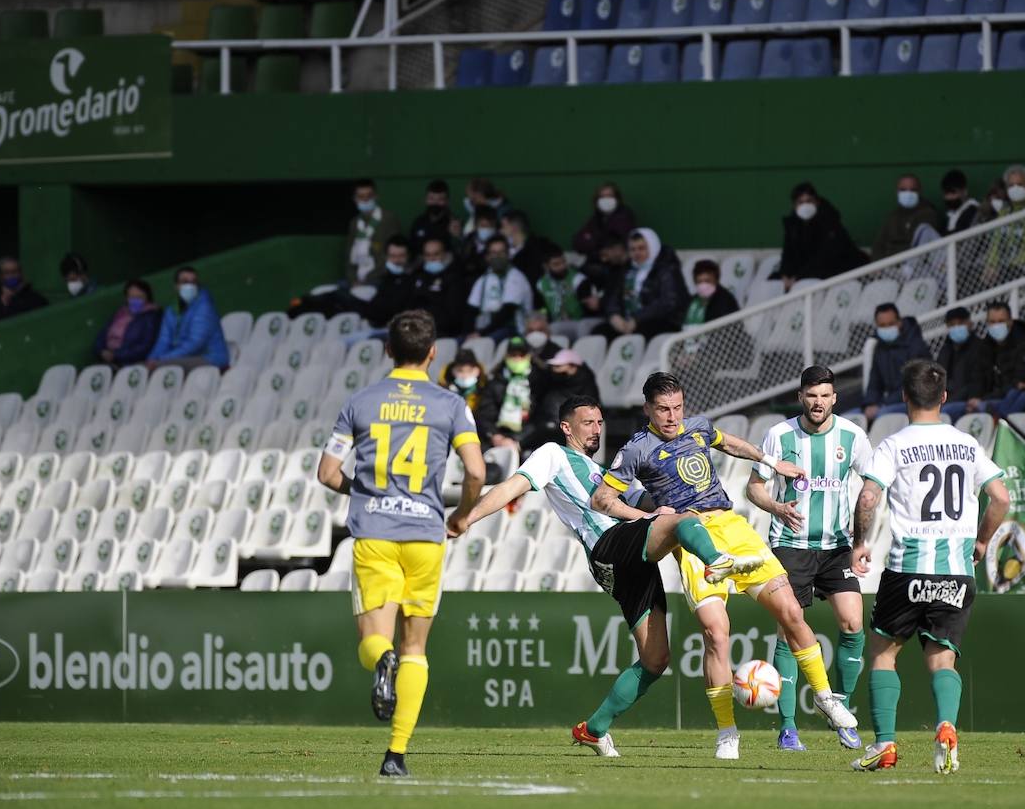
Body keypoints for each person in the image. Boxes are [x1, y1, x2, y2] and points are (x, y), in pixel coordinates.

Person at [452, 394, 749, 758]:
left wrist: (662, 506)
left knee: (656, 660)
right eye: (587, 423)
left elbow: (642, 502)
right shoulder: (553, 454)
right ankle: (718, 561)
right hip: (609, 545)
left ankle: (594, 729)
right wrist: (468, 516)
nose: (596, 429)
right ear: (567, 427)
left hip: (630, 561)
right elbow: (510, 487)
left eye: (598, 422)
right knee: (685, 521)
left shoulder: (604, 471)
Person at [592, 372, 858, 760]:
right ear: (648, 409)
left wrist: (769, 461)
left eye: (678, 407)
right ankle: (727, 732)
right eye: (663, 409)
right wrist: (647, 517)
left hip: (734, 528)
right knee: (716, 634)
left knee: (792, 613)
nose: (672, 417)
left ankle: (824, 698)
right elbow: (602, 499)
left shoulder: (697, 427)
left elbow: (727, 442)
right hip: (692, 536)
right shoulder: (636, 449)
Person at [316, 309, 486, 777]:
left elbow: (327, 473)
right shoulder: (452, 405)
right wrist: (462, 514)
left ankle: (381, 661)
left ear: (387, 349)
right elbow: (476, 471)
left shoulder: (360, 402)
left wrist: (364, 492)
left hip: (374, 533)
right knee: (417, 649)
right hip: (426, 535)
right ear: (433, 354)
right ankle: (396, 756)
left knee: (374, 640)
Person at [849, 359, 1011, 774]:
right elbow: (1001, 498)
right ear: (943, 397)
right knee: (942, 658)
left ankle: (885, 744)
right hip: (956, 569)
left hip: (908, 567)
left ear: (903, 396)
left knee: (884, 653)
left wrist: (860, 543)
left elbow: (868, 498)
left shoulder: (894, 444)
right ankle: (946, 726)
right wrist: (981, 540)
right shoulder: (967, 444)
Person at [746, 366, 871, 752]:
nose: (818, 403)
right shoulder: (780, 435)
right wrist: (776, 507)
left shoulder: (853, 437)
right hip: (790, 543)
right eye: (812, 396)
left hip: (836, 547)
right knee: (788, 629)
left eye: (825, 396)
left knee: (852, 621)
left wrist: (861, 540)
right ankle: (787, 728)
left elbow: (871, 489)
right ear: (801, 397)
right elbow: (753, 489)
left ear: (835, 398)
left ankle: (842, 711)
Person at [595, 228, 688, 340]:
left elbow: (668, 303)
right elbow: (613, 297)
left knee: (641, 333)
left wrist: (637, 319)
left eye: (641, 248)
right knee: (599, 332)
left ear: (653, 247)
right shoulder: (627, 269)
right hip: (629, 323)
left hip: (661, 322)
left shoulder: (667, 269)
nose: (637, 253)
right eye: (633, 249)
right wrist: (614, 316)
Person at [774, 183, 869, 289]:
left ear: (817, 202)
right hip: (805, 273)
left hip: (839, 271)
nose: (805, 206)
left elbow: (825, 257)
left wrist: (798, 277)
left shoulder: (830, 222)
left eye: (809, 201)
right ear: (795, 206)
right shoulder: (793, 226)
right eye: (800, 202)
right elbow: (788, 253)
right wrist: (785, 275)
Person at [145, 266, 229, 371]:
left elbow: (196, 342)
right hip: (183, 357)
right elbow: (163, 340)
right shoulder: (171, 310)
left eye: (194, 282)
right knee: (141, 369)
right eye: (185, 282)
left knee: (160, 367)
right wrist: (152, 358)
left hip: (210, 357)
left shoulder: (204, 306)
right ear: (176, 286)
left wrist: (162, 359)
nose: (190, 286)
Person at [861, 303, 929, 421]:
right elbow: (874, 383)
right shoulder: (880, 348)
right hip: (888, 403)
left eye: (891, 324)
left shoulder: (916, 346)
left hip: (914, 402)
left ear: (899, 322)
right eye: (882, 325)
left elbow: (913, 385)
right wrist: (870, 403)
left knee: (882, 415)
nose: (887, 328)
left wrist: (882, 404)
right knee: (852, 418)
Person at [474, 337, 536, 454]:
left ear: (529, 356)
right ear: (506, 356)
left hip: (528, 439)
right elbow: (485, 415)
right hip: (498, 436)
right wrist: (495, 436)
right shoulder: (495, 381)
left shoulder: (538, 381)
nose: (517, 359)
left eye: (521, 355)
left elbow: (541, 418)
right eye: (513, 355)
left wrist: (519, 440)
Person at [527, 348, 600, 447]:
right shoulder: (553, 381)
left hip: (561, 427)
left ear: (572, 367)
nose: (554, 369)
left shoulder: (586, 385)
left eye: (558, 366)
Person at [467, 237, 532, 342]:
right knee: (459, 342)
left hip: (513, 330)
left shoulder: (516, 277)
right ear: (487, 256)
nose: (497, 256)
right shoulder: (483, 279)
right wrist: (469, 333)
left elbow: (507, 312)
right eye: (493, 253)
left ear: (508, 254)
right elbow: (471, 310)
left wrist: (481, 333)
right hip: (486, 329)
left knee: (485, 341)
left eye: (501, 252)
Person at [937, 307, 994, 421]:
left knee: (942, 413)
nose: (957, 327)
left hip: (969, 401)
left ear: (970, 323)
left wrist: (948, 400)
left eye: (961, 323)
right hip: (947, 400)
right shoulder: (945, 350)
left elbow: (978, 382)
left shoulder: (979, 348)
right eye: (953, 324)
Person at [978, 301, 1025, 411]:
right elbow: (978, 378)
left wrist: (983, 400)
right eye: (992, 322)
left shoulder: (1024, 345)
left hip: (1009, 398)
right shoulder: (984, 347)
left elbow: (1017, 382)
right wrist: (974, 397)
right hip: (990, 398)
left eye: (1001, 321)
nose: (996, 326)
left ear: (1010, 322)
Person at [345, 179, 401, 287]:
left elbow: (394, 256)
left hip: (380, 279)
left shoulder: (388, 219)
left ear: (376, 196)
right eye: (361, 196)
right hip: (356, 280)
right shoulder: (354, 223)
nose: (365, 199)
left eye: (369, 195)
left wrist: (367, 280)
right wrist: (352, 280)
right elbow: (349, 256)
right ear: (355, 199)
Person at [873, 174, 941, 262]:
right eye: (903, 190)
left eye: (913, 190)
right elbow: (879, 244)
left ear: (919, 192)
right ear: (897, 192)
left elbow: (917, 245)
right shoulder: (893, 216)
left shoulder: (928, 214)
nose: (908, 193)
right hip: (888, 266)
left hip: (913, 265)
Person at [94, 279, 161, 367]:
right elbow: (102, 335)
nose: (135, 300)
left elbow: (146, 346)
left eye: (139, 297)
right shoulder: (120, 313)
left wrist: (117, 355)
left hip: (131, 362)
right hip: (108, 359)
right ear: (126, 297)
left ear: (147, 297)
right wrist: (101, 351)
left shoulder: (151, 316)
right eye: (131, 297)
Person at [411, 237, 469, 338]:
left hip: (443, 334)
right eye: (428, 255)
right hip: (418, 331)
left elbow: (454, 316)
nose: (432, 259)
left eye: (436, 254)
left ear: (445, 254)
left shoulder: (455, 278)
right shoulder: (418, 277)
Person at [360, 235, 417, 329]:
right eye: (393, 256)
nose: (397, 260)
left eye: (401, 256)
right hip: (374, 325)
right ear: (386, 256)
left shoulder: (415, 280)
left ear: (409, 256)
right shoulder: (383, 278)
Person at [572, 182, 637, 257]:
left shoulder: (625, 216)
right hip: (596, 258)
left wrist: (591, 239)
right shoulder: (596, 218)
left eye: (609, 196)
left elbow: (615, 242)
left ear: (617, 199)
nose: (606, 199)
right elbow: (577, 241)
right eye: (602, 197)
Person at [536, 249, 588, 340]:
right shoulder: (541, 284)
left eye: (563, 262)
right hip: (556, 321)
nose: (562, 267)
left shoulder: (578, 280)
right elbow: (542, 308)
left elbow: (588, 308)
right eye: (556, 264)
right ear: (546, 267)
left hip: (579, 321)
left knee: (554, 329)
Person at [500, 210, 558, 289]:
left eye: (504, 226)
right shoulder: (506, 252)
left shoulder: (538, 248)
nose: (501, 231)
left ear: (514, 227)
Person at [0, 256, 48, 323]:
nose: (11, 275)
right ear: (0, 276)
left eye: (15, 272)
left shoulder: (36, 299)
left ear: (21, 274)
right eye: (7, 272)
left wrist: (13, 300)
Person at [407, 179, 459, 259]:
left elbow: (459, 251)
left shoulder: (454, 223)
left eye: (440, 199)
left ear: (447, 201)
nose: (435, 203)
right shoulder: (418, 222)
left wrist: (457, 236)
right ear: (426, 200)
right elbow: (411, 249)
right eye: (431, 199)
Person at [684, 259, 739, 327]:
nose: (703, 285)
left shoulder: (725, 301)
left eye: (707, 281)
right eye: (700, 282)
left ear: (716, 280)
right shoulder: (692, 301)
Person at [940, 169, 981, 236]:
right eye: (946, 193)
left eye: (953, 192)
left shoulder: (973, 211)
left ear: (965, 192)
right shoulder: (950, 214)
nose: (949, 197)